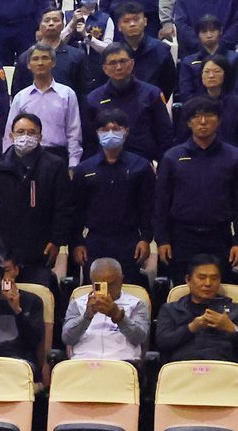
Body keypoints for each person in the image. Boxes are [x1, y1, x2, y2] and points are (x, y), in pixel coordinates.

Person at [66, 116, 156, 288]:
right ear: (97, 133)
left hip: (129, 240)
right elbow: (76, 210)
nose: (110, 133)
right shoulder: (84, 169)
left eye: (115, 129)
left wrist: (145, 238)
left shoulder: (141, 167)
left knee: (128, 288)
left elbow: (148, 207)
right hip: (95, 240)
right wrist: (77, 243)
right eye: (105, 130)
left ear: (126, 131)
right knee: (96, 289)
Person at [155, 98, 238, 271]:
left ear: (219, 120)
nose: (203, 121)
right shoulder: (172, 157)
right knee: (182, 285)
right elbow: (161, 203)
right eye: (196, 116)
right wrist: (162, 240)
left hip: (220, 236)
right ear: (188, 122)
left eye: (209, 115)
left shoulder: (233, 157)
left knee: (218, 286)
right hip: (182, 237)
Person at [0, 113, 69, 290]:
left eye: (31, 132)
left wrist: (57, 240)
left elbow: (63, 206)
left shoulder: (54, 165)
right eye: (20, 132)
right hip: (4, 252)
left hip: (39, 250)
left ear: (40, 137)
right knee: (6, 298)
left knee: (38, 296)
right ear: (11, 136)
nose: (25, 136)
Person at [82, 43, 175, 165]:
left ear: (132, 63)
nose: (119, 67)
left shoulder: (151, 94)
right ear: (104, 68)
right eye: (113, 63)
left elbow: (164, 134)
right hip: (106, 165)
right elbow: (89, 141)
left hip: (144, 164)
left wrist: (163, 165)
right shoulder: (93, 99)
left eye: (123, 61)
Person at [6, 45, 81, 170]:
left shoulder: (67, 94)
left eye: (45, 58)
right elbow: (10, 130)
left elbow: (74, 132)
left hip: (58, 155)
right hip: (26, 155)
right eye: (35, 59)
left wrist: (73, 164)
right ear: (29, 65)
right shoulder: (21, 97)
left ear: (53, 63)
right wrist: (7, 161)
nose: (40, 63)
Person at [59, 258, 149, 362]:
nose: (106, 290)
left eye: (110, 284)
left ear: (121, 280)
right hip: (83, 361)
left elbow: (140, 338)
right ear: (92, 281)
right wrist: (86, 317)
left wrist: (119, 317)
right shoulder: (77, 304)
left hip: (122, 361)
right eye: (100, 285)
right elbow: (67, 338)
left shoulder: (136, 304)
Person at [154, 257, 238, 362]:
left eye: (214, 278)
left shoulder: (235, 310)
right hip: (183, 366)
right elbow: (162, 343)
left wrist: (232, 328)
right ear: (188, 280)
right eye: (202, 278)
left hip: (222, 366)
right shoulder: (170, 309)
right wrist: (191, 328)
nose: (208, 283)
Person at [20, 8, 93, 96]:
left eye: (56, 20)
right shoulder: (26, 57)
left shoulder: (77, 56)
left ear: (63, 25)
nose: (51, 23)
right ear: (39, 25)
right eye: (46, 21)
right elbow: (18, 91)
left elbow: (84, 91)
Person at [179, 16, 226, 101]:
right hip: (198, 106)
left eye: (213, 30)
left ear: (220, 31)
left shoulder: (234, 58)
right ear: (198, 34)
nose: (209, 35)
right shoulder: (188, 62)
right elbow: (185, 93)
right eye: (204, 32)